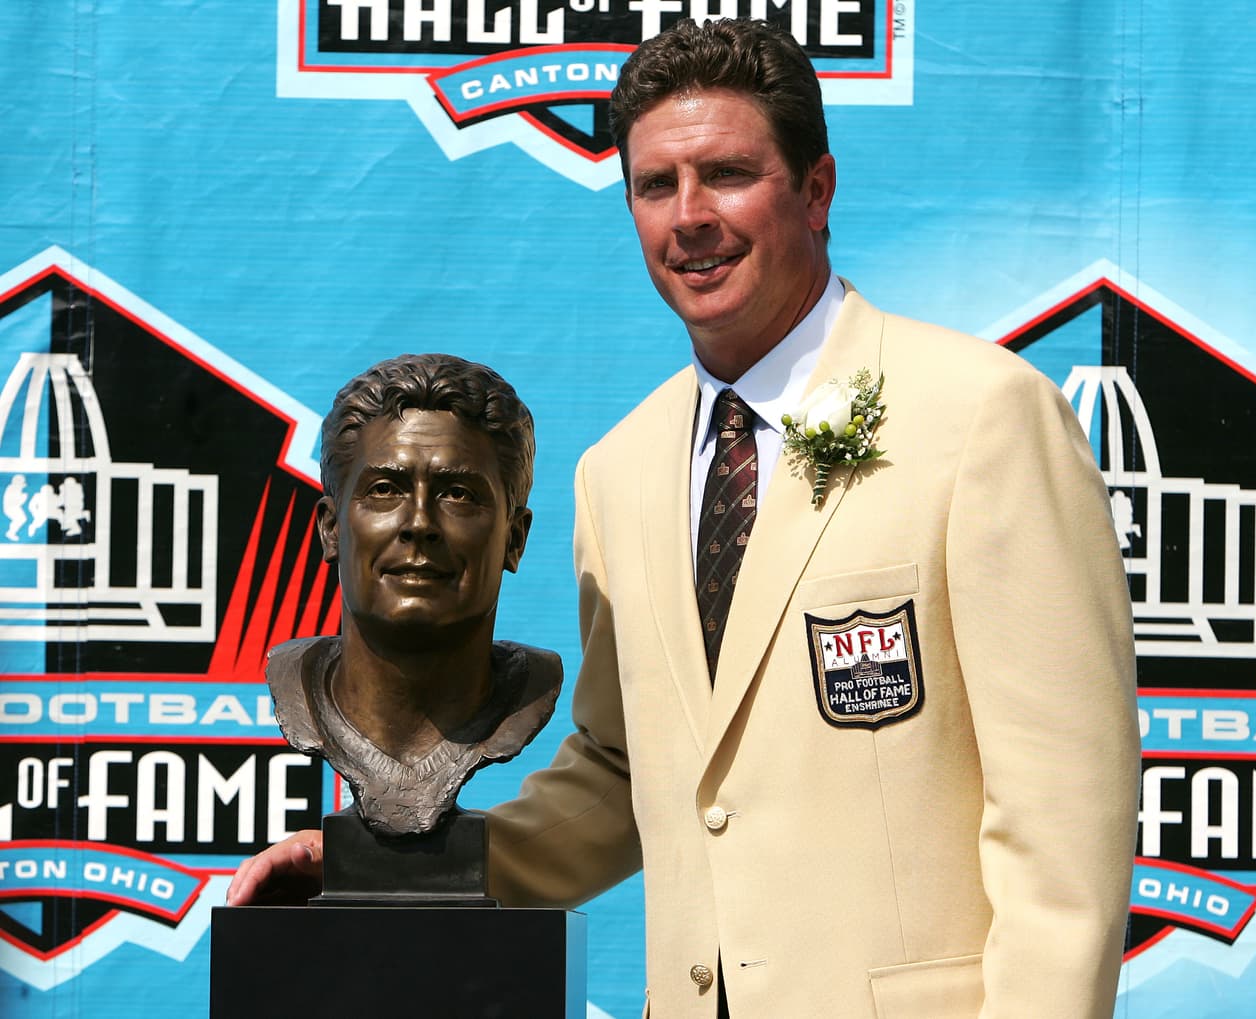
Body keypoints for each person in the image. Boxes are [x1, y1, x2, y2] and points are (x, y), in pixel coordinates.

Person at [228, 19, 1139, 1018]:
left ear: (816, 189)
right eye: (655, 185)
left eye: (727, 173)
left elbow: (1063, 821)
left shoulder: (979, 415)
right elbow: (628, 770)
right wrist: (389, 866)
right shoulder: (618, 467)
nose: (689, 216)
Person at [265, 353, 561, 836]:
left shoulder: (534, 690)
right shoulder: (297, 690)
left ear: (514, 539)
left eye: (458, 494)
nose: (419, 523)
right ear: (330, 529)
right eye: (385, 489)